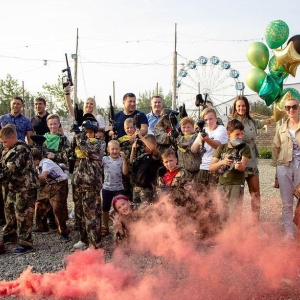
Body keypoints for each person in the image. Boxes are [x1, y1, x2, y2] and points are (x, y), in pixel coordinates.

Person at [230, 96, 274, 226]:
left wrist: (274, 116)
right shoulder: (232, 123)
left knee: (255, 194)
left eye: (243, 105)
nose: (241, 108)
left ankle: (256, 224)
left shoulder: (252, 122)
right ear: (235, 107)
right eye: (238, 106)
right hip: (238, 162)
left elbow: (263, 123)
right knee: (237, 197)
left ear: (247, 107)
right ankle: (236, 226)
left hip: (252, 162)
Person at [0, 124, 38, 254]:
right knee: (9, 211)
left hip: (25, 188)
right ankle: (10, 235)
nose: (3, 144)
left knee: (23, 214)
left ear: (12, 137)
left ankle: (25, 243)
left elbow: (10, 171)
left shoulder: (21, 149)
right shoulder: (8, 149)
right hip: (13, 187)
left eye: (5, 141)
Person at [72, 115, 105, 250]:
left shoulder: (99, 143)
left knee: (92, 215)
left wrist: (79, 135)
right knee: (80, 214)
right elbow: (70, 154)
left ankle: (94, 244)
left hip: (91, 184)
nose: (88, 134)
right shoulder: (79, 140)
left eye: (90, 132)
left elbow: (88, 150)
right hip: (78, 183)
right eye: (86, 131)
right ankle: (84, 239)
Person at [209, 119, 251, 225]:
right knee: (222, 215)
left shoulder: (245, 148)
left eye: (242, 134)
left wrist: (239, 165)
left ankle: (234, 239)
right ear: (229, 134)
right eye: (237, 134)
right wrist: (223, 162)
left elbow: (243, 166)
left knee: (234, 215)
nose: (240, 137)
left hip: (237, 184)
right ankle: (225, 239)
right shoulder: (221, 148)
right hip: (222, 184)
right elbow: (211, 167)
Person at [272, 97, 300, 242]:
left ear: (299, 107)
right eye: (288, 108)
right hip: (284, 166)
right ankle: (289, 233)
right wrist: (276, 174)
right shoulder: (281, 128)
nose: (291, 110)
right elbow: (275, 149)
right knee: (287, 202)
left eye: (294, 106)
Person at [31, 148, 70, 242]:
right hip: (49, 185)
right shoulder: (37, 166)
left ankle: (64, 232)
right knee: (39, 204)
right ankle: (42, 226)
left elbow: (42, 177)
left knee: (57, 208)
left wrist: (31, 181)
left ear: (36, 159)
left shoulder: (46, 163)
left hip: (59, 185)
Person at [191, 108, 228, 188]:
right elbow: (193, 149)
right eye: (206, 120)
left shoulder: (221, 129)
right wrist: (199, 141)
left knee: (214, 197)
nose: (208, 122)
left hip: (217, 167)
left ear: (216, 118)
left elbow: (218, 145)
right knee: (201, 197)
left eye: (211, 119)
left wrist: (207, 139)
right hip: (203, 167)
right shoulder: (203, 130)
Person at [101, 140, 128, 237]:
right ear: (108, 150)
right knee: (105, 208)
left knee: (120, 208)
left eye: (117, 149)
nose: (115, 151)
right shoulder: (104, 159)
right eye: (112, 149)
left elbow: (125, 173)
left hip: (118, 187)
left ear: (120, 149)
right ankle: (106, 226)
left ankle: (123, 226)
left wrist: (124, 160)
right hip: (107, 188)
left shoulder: (121, 160)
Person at [130, 132, 162, 205]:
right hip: (137, 187)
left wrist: (141, 137)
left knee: (146, 209)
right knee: (136, 208)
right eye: (144, 146)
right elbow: (132, 161)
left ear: (155, 144)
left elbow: (153, 148)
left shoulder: (156, 155)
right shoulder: (144, 156)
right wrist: (133, 149)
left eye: (147, 145)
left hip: (147, 188)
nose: (146, 148)